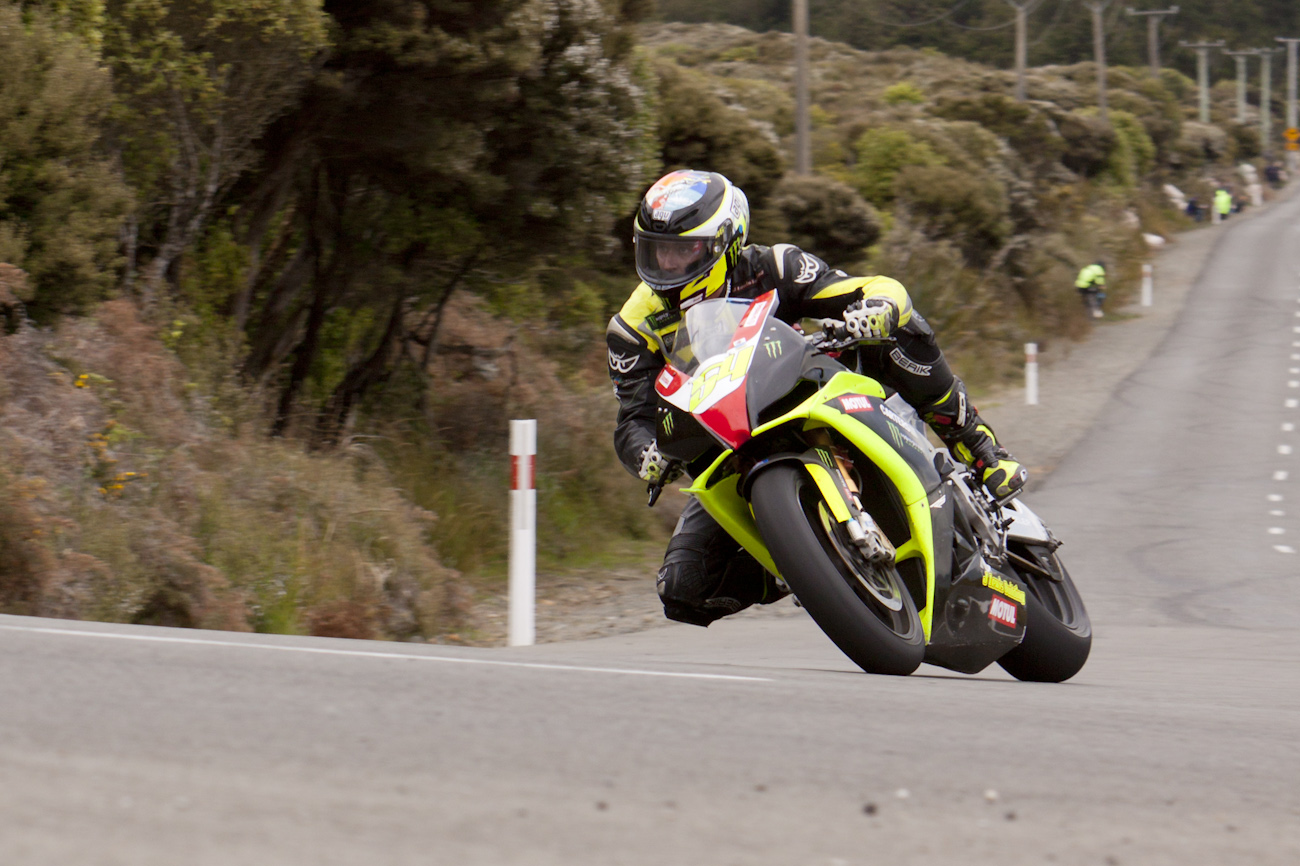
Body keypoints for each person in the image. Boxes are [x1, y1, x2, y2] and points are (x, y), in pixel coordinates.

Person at [606, 169, 1028, 627]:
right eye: (656, 251)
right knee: (682, 591)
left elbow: (868, 288)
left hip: (811, 390)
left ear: (726, 241)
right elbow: (633, 418)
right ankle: (800, 564)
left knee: (897, 330)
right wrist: (646, 454)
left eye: (682, 251)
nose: (667, 266)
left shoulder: (775, 266)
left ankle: (981, 448)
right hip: (729, 448)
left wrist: (878, 309)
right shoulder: (632, 327)